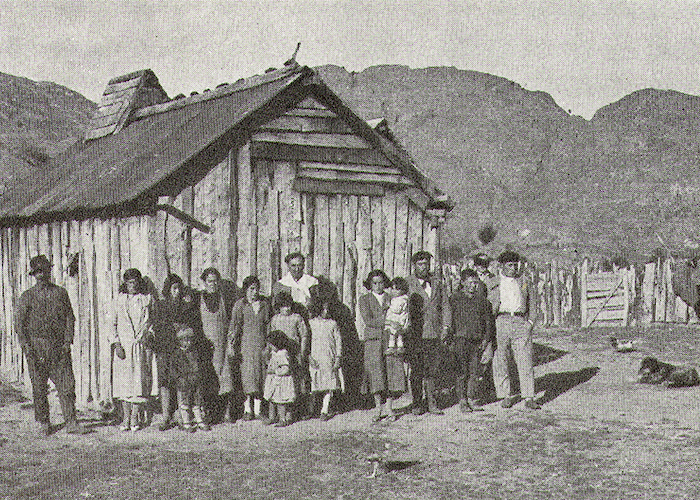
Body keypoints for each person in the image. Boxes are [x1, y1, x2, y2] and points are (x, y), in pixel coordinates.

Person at [16, 254, 87, 436]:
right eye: (38, 272)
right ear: (33, 274)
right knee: (39, 388)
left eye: (45, 271)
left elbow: (70, 318)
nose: (42, 275)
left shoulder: (60, 293)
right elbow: (20, 325)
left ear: (49, 271)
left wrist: (67, 342)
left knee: (67, 386)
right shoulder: (27, 296)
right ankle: (43, 422)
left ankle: (71, 421)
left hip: (58, 348)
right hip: (36, 348)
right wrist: (27, 347)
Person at [492, 250, 541, 410]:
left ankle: (529, 396)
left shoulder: (524, 280)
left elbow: (533, 302)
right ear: (502, 266)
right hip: (501, 320)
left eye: (515, 265)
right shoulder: (494, 282)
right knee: (501, 359)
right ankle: (505, 395)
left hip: (520, 321)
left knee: (525, 359)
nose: (513, 268)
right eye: (510, 265)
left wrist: (530, 322)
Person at [405, 251, 452, 415]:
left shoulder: (437, 282)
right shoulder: (407, 283)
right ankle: (417, 403)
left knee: (432, 370)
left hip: (433, 332)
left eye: (426, 264)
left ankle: (432, 403)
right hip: (415, 335)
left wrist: (446, 326)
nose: (423, 267)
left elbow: (445, 305)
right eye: (420, 264)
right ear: (414, 265)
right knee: (417, 370)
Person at [358, 270, 406, 423]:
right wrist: (387, 321)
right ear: (369, 284)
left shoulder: (392, 297)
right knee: (375, 373)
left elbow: (402, 314)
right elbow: (368, 320)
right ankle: (378, 407)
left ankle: (389, 407)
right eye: (374, 283)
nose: (378, 286)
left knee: (392, 371)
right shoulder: (364, 299)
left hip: (390, 338)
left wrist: (398, 325)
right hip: (373, 340)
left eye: (381, 282)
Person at [153, 273, 198, 431]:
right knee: (165, 381)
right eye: (174, 288)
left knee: (181, 380)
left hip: (180, 349)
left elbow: (191, 325)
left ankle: (180, 415)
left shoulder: (186, 306)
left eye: (179, 288)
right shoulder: (161, 305)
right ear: (168, 290)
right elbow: (157, 326)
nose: (177, 292)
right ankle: (166, 415)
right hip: (165, 347)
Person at [112, 268, 155, 432]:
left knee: (139, 382)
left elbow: (151, 323)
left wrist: (148, 335)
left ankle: (135, 416)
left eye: (135, 282)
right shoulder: (119, 301)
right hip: (124, 346)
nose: (133, 285)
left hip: (140, 346)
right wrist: (117, 344)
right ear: (125, 283)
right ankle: (125, 417)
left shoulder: (146, 300)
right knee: (124, 383)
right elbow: (112, 324)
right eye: (129, 282)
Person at [448, 268, 495, 412]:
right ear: (462, 283)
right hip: (460, 340)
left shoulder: (483, 302)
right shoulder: (454, 299)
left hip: (476, 341)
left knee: (474, 372)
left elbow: (488, 323)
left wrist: (486, 341)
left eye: (476, 283)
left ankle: (471, 398)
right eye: (470, 283)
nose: (474, 286)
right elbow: (449, 320)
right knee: (461, 371)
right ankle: (462, 400)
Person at [198, 267, 236, 423]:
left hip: (222, 344)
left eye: (215, 281)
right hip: (206, 346)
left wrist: (230, 344)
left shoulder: (224, 299)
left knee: (226, 378)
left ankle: (227, 413)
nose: (212, 284)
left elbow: (231, 324)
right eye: (209, 281)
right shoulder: (198, 298)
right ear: (204, 282)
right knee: (208, 379)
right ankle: (209, 413)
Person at [230, 276, 270, 421]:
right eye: (251, 289)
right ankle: (248, 409)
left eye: (256, 289)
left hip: (260, 345)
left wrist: (268, 346)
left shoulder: (264, 305)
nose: (254, 292)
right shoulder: (240, 305)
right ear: (245, 290)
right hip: (245, 347)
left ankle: (259, 411)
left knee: (260, 377)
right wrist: (232, 346)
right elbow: (234, 327)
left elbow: (268, 326)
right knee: (247, 378)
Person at [270, 291, 307, 418]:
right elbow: (271, 337)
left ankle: (291, 413)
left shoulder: (297, 318)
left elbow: (304, 335)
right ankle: (278, 414)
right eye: (284, 306)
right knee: (280, 383)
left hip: (294, 354)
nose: (287, 308)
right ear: (279, 306)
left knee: (293, 383)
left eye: (289, 305)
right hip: (280, 356)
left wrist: (302, 352)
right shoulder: (275, 319)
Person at [308, 294, 343, 421]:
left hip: (329, 357)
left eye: (328, 309)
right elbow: (307, 342)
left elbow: (338, 341)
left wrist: (338, 357)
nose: (326, 312)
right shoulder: (311, 323)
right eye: (323, 309)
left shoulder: (333, 324)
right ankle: (312, 409)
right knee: (314, 383)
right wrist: (309, 357)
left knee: (329, 384)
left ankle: (325, 409)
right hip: (315, 357)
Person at [170, 323, 210, 432]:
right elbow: (173, 370)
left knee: (197, 401)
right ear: (179, 341)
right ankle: (186, 422)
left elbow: (199, 366)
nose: (188, 343)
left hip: (195, 380)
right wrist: (179, 379)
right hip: (183, 381)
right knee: (184, 402)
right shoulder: (177, 354)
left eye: (189, 340)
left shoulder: (195, 353)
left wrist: (199, 376)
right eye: (185, 340)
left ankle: (199, 420)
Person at [263, 330, 297, 427]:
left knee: (280, 401)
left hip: (281, 380)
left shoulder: (283, 354)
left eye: (271, 345)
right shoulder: (274, 353)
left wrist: (276, 372)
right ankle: (272, 417)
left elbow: (286, 368)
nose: (270, 347)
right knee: (271, 399)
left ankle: (283, 419)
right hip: (273, 380)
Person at [385, 277, 409, 355]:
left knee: (395, 334)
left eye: (397, 289)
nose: (394, 291)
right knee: (397, 335)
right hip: (397, 319)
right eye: (393, 289)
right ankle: (397, 347)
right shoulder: (398, 299)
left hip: (397, 319)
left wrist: (389, 306)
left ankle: (394, 347)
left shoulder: (401, 300)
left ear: (403, 290)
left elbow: (397, 310)